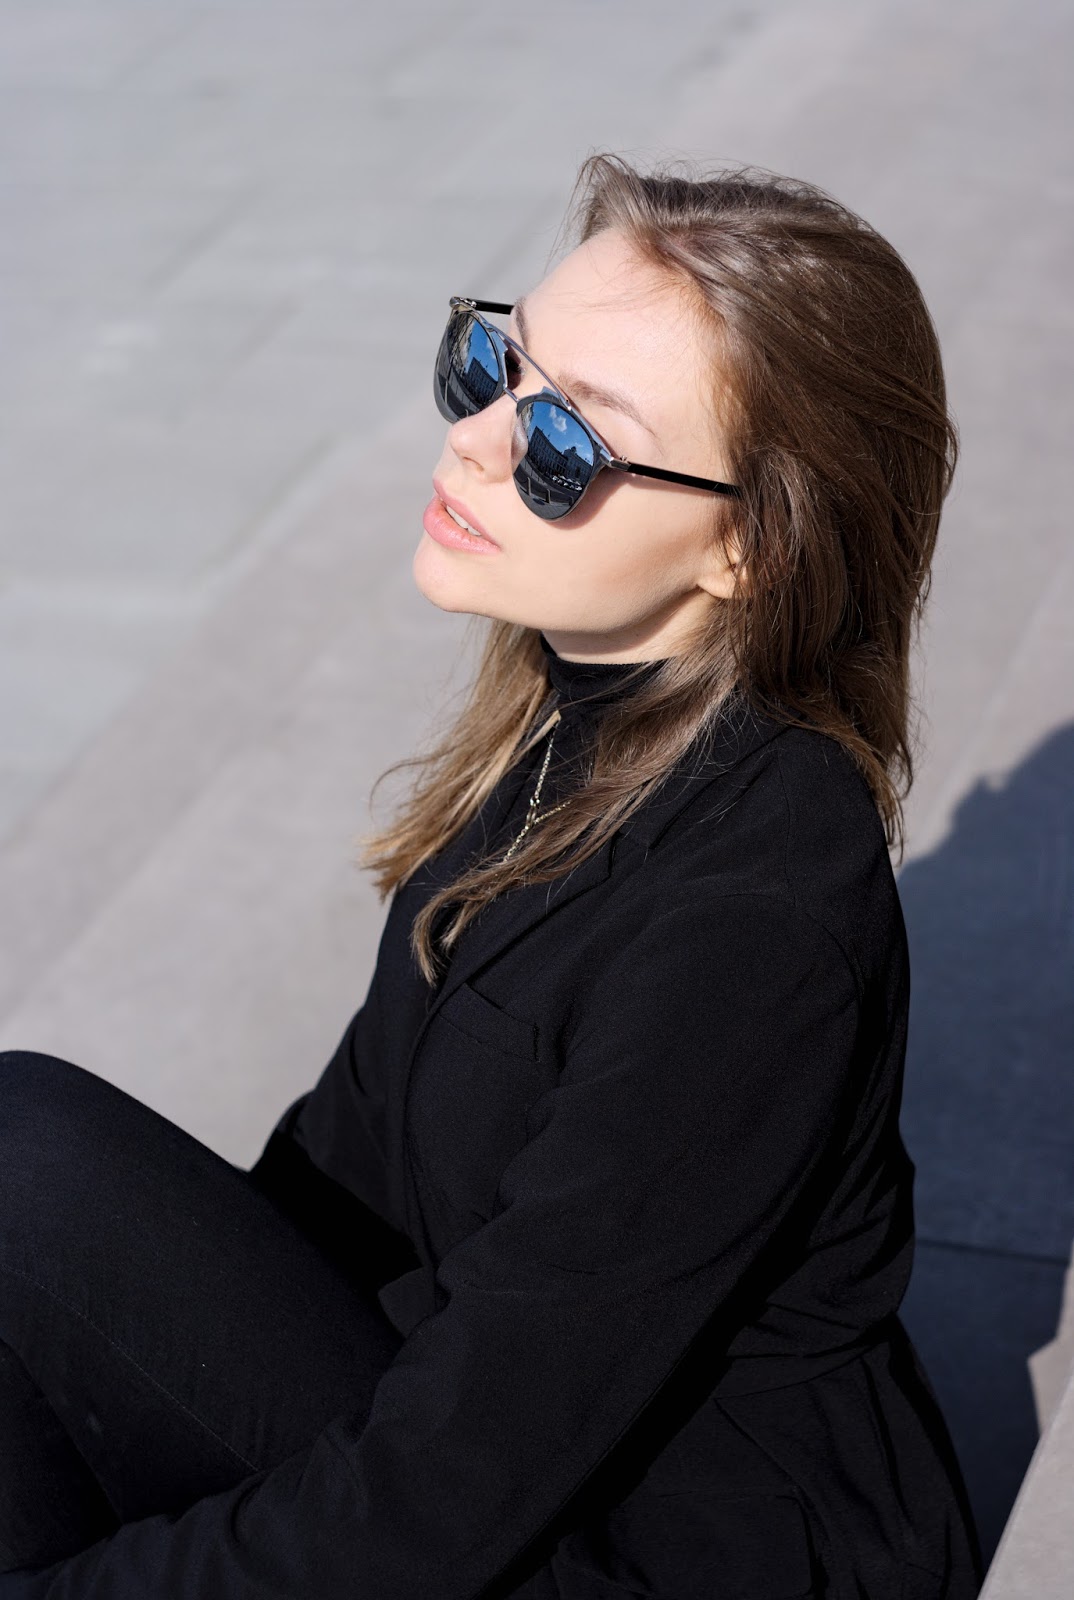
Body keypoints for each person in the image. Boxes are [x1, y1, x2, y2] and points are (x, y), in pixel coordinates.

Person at [0, 153, 983, 1598]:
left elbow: (448, 1488)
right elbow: (333, 1183)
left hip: (668, 1542)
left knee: (26, 1146)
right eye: (491, 365)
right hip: (493, 1415)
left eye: (563, 445)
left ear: (748, 547)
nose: (472, 441)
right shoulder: (584, 716)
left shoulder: (752, 926)